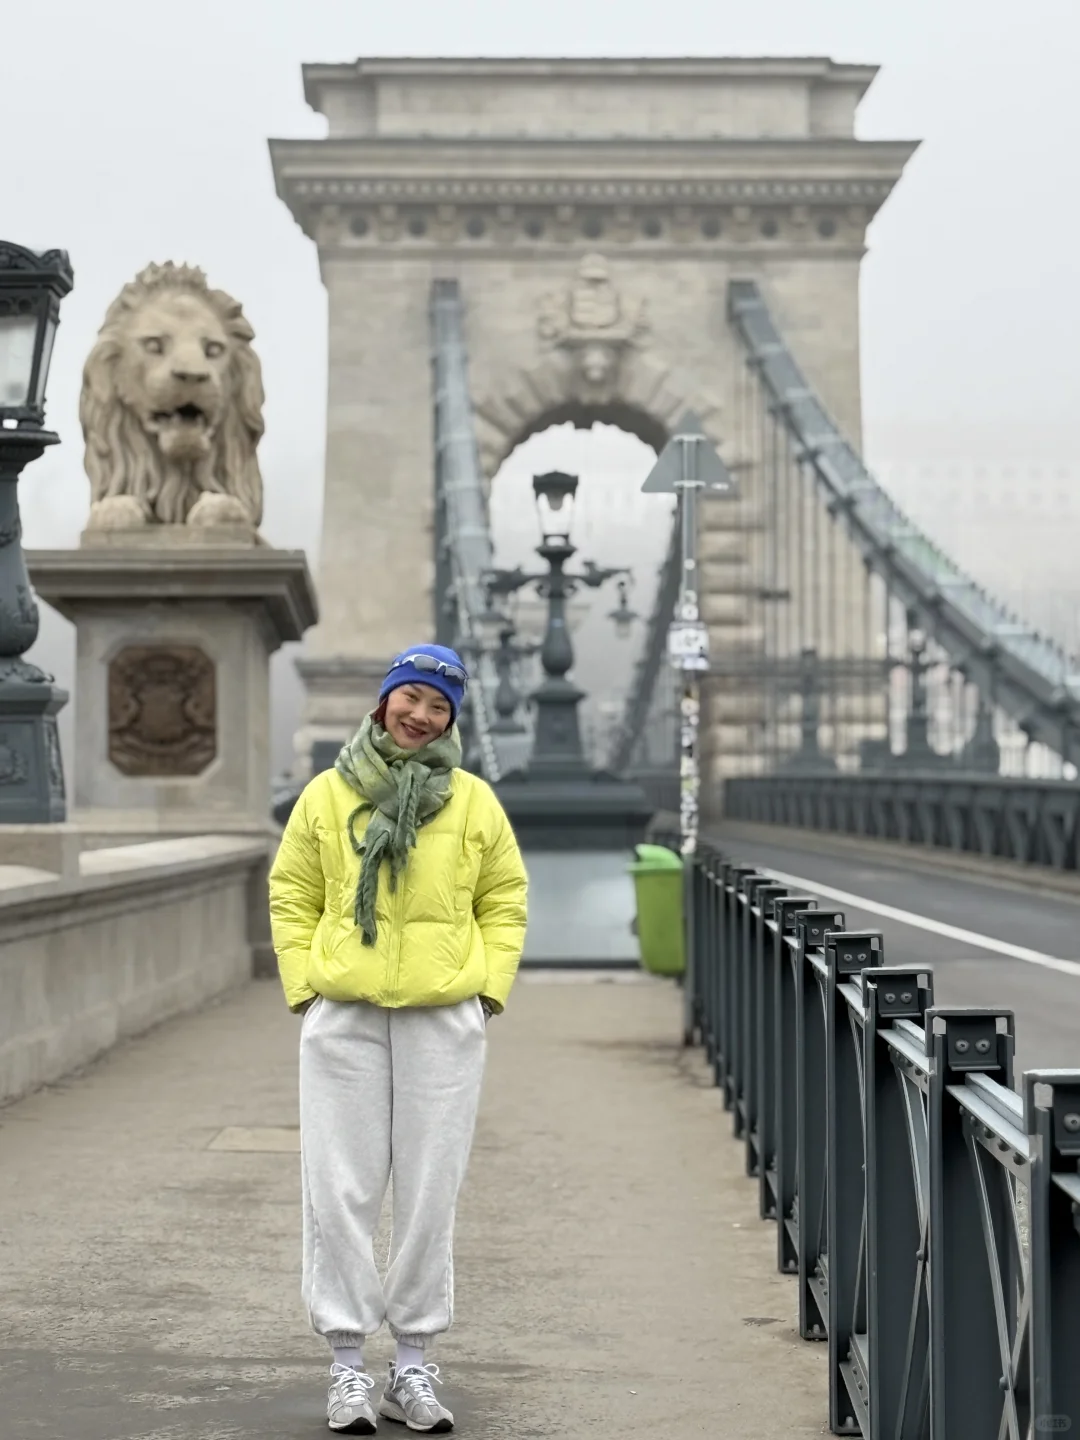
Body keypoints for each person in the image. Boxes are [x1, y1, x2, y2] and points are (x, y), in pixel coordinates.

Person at [269, 644, 528, 1434]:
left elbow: (506, 897)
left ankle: (412, 1364)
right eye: (410, 697)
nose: (421, 715)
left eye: (439, 706)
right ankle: (347, 1365)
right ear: (384, 702)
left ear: (453, 719)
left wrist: (487, 989)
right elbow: (292, 891)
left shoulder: (476, 802)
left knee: (428, 1194)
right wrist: (304, 986)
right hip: (343, 1013)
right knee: (337, 1190)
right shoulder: (326, 793)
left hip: (441, 1018)